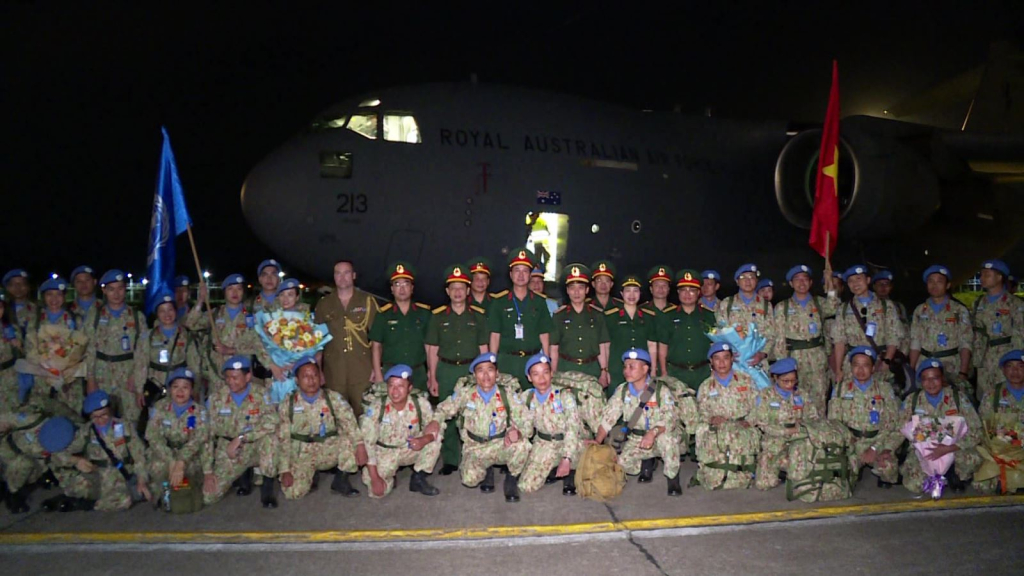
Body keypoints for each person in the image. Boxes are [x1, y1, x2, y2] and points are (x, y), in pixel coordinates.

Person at [426, 353, 531, 502]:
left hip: (501, 443)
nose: (486, 375)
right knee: (469, 480)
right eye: (480, 371)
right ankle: (487, 469)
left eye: (490, 370)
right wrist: (435, 421)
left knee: (522, 445)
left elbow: (527, 420)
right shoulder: (465, 394)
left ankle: (511, 477)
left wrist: (517, 432)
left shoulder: (507, 394)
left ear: (497, 373)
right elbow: (444, 409)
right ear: (474, 375)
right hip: (475, 446)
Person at [425, 264, 489, 475]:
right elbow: (432, 349)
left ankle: (475, 456)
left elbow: (483, 348)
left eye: (462, 287)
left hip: (471, 371)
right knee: (447, 415)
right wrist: (432, 376)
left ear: (468, 290)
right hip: (446, 369)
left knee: (474, 413)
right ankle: (451, 459)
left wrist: (486, 374)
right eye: (453, 288)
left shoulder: (478, 316)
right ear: (447, 291)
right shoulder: (437, 316)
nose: (458, 292)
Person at [593, 349, 683, 496]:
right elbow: (608, 418)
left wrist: (653, 433)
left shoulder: (660, 390)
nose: (626, 371)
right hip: (637, 438)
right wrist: (597, 441)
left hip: (660, 435)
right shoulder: (622, 390)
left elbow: (670, 418)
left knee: (667, 441)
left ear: (645, 369)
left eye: (632, 367)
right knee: (623, 465)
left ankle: (673, 478)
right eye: (625, 367)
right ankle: (647, 461)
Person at [278, 356, 362, 500]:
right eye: (306, 376)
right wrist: (284, 469)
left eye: (315, 375)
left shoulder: (333, 398)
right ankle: (311, 474)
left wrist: (360, 445)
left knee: (352, 439)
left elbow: (350, 423)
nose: (311, 380)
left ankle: (341, 479)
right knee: (293, 493)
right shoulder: (288, 404)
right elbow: (283, 438)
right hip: (302, 453)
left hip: (329, 448)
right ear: (297, 380)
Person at [203, 356, 278, 508]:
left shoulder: (261, 394)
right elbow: (206, 435)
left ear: (248, 376)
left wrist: (242, 437)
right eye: (228, 377)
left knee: (271, 440)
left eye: (235, 378)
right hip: (229, 450)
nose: (231, 382)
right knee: (209, 497)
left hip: (255, 446)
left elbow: (272, 421)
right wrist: (207, 472)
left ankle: (267, 490)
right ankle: (244, 475)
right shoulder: (216, 399)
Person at [899, 359, 982, 494]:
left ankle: (954, 473)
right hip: (923, 452)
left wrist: (950, 448)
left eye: (935, 378)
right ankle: (934, 474)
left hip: (954, 449)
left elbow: (976, 430)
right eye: (926, 379)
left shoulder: (957, 398)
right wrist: (887, 449)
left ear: (942, 378)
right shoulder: (912, 400)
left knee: (971, 459)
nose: (931, 383)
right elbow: (900, 427)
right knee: (915, 485)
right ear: (920, 381)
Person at [359, 364, 441, 498]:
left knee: (436, 436)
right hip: (385, 453)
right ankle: (389, 478)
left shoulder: (419, 403)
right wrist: (374, 477)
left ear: (409, 388)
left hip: (410, 449)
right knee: (378, 493)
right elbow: (368, 442)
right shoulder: (377, 407)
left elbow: (436, 425)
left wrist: (424, 440)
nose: (395, 391)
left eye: (400, 386)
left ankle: (418, 478)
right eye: (391, 386)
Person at [827, 346, 901, 488]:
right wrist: (850, 446)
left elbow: (891, 422)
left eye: (865, 365)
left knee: (888, 468)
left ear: (873, 368)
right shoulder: (841, 388)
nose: (860, 370)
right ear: (851, 367)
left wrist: (874, 448)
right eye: (856, 365)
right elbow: (834, 422)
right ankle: (856, 468)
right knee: (840, 474)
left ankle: (876, 470)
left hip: (877, 441)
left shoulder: (884, 389)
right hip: (851, 442)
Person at [186, 273, 274, 393]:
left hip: (242, 378)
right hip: (217, 378)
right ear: (224, 292)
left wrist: (232, 350)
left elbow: (258, 346)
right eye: (230, 289)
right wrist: (201, 300)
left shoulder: (251, 317)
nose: (235, 292)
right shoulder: (215, 314)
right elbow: (191, 323)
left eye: (239, 289)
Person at [314, 260, 379, 415]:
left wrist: (376, 369)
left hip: (362, 370)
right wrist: (318, 370)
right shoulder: (324, 304)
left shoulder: (367, 301)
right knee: (337, 416)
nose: (342, 277)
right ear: (334, 277)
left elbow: (378, 339)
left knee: (365, 414)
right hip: (333, 372)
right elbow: (317, 342)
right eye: (338, 273)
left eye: (346, 273)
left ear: (354, 275)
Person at [773, 265, 839, 415]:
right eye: (797, 279)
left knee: (819, 398)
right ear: (791, 284)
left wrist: (830, 283)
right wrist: (783, 366)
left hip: (817, 358)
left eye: (805, 279)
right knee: (794, 398)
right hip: (794, 359)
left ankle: (818, 427)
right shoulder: (783, 307)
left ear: (810, 283)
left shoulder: (819, 303)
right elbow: (779, 338)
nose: (801, 282)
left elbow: (834, 306)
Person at [692, 342, 760, 490]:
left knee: (741, 471)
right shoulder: (706, 386)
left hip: (741, 427)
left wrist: (750, 421)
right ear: (711, 361)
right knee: (714, 471)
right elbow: (701, 411)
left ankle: (743, 473)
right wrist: (711, 419)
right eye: (717, 358)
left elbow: (758, 405)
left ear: (732, 359)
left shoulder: (746, 380)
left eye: (726, 358)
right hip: (718, 429)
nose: (722, 363)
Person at [84, 270, 148, 425]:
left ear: (125, 289)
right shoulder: (95, 316)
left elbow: (143, 352)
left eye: (120, 288)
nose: (116, 294)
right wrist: (90, 379)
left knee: (131, 420)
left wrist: (137, 378)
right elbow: (90, 349)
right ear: (104, 291)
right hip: (102, 374)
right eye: (111, 289)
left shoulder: (137, 317)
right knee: (102, 418)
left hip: (128, 374)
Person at [70, 390, 151, 511]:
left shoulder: (125, 426)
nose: (100, 420)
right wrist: (75, 460)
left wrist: (141, 479)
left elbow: (139, 454)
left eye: (104, 414)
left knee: (146, 492)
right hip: (98, 477)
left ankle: (92, 503)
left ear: (110, 410)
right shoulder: (86, 432)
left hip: (123, 475)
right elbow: (62, 452)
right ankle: (89, 502)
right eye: (95, 416)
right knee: (74, 486)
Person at [515, 353, 582, 495]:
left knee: (594, 467)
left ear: (551, 373)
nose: (542, 378)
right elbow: (521, 425)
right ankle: (554, 467)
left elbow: (573, 428)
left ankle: (571, 469)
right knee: (526, 486)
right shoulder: (526, 397)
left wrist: (567, 457)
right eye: (536, 374)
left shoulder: (564, 396)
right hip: (544, 444)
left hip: (569, 443)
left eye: (545, 372)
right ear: (529, 377)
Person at [750, 358, 820, 490]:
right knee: (763, 484)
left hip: (798, 441)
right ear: (776, 378)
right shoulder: (766, 395)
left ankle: (790, 470)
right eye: (785, 381)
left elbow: (813, 418)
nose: (790, 384)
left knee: (801, 481)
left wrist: (802, 427)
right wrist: (785, 431)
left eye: (793, 380)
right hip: (774, 442)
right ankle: (780, 469)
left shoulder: (801, 395)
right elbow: (762, 423)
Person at [488, 248, 553, 388]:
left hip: (533, 361)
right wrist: (493, 363)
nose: (521, 275)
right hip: (507, 361)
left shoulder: (539, 302)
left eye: (525, 271)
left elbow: (544, 334)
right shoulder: (499, 302)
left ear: (530, 275)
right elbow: (495, 335)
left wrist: (546, 360)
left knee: (532, 399)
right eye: (517, 270)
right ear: (511, 274)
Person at [144, 368, 211, 502]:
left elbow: (200, 439)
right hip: (165, 452)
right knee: (157, 467)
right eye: (175, 387)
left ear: (192, 390)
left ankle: (182, 495)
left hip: (189, 456)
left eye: (185, 387)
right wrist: (171, 460)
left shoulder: (199, 411)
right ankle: (163, 494)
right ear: (170, 389)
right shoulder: (160, 407)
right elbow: (152, 435)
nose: (180, 392)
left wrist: (181, 461)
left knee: (189, 474)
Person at [830, 265, 904, 386]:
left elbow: (893, 337)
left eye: (859, 279)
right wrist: (838, 369)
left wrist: (886, 361)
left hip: (879, 363)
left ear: (868, 280)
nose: (855, 284)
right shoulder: (844, 308)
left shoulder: (886, 306)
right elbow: (839, 341)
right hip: (853, 365)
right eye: (851, 281)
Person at [136, 290, 200, 430]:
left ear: (176, 311)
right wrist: (139, 389)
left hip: (180, 386)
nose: (167, 314)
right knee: (156, 422)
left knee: (180, 422)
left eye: (170, 309)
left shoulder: (185, 335)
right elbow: (141, 364)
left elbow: (194, 364)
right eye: (162, 311)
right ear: (157, 314)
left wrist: (195, 388)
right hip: (156, 386)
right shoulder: (148, 336)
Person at [26, 276, 87, 416]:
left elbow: (82, 348)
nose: (54, 299)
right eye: (49, 294)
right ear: (43, 297)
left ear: (64, 296)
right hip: (42, 381)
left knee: (70, 418)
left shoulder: (75, 319)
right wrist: (46, 365)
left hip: (69, 383)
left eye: (58, 294)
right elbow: (29, 348)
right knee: (42, 419)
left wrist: (69, 367)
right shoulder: (35, 320)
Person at [909, 265, 973, 395]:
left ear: (948, 285)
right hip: (925, 366)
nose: (934, 285)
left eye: (939, 281)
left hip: (951, 366)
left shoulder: (959, 310)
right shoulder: (920, 310)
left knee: (953, 401)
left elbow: (966, 343)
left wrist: (963, 372)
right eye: (931, 281)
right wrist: (911, 369)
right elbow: (915, 342)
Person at [0, 413, 81, 513]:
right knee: (22, 466)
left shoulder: (68, 441)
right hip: (9, 452)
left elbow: (59, 460)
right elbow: (9, 417)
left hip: (37, 461)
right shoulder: (33, 420)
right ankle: (13, 494)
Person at [369, 261, 432, 392]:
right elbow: (376, 347)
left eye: (406, 284)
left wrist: (431, 372)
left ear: (412, 288)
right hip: (391, 374)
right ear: (392, 289)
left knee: (420, 404)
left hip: (417, 374)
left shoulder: (424, 313)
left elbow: (429, 346)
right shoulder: (383, 315)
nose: (401, 289)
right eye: (397, 284)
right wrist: (379, 375)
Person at [550, 264, 611, 388]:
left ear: (587, 290)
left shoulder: (597, 315)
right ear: (567, 291)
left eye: (581, 288)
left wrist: (604, 371)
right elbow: (554, 348)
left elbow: (603, 345)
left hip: (592, 369)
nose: (576, 292)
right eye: (572, 288)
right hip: (566, 369)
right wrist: (553, 373)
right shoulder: (559, 316)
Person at [972, 260, 1024, 400]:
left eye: (987, 275)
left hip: (1005, 358)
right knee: (984, 398)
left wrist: (1016, 363)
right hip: (983, 359)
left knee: (1006, 397)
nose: (982, 278)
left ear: (999, 277)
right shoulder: (978, 303)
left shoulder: (1014, 303)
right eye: (981, 275)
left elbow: (1020, 334)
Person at [659, 269, 716, 392]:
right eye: (683, 290)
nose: (687, 294)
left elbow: (713, 344)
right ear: (678, 292)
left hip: (703, 372)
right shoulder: (668, 316)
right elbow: (663, 347)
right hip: (675, 373)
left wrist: (714, 370)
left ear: (698, 292)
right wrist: (664, 373)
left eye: (692, 290)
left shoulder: (708, 316)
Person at [715, 264, 775, 370]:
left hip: (758, 364)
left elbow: (771, 334)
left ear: (756, 281)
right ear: (737, 281)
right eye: (743, 277)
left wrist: (762, 354)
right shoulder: (727, 304)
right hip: (734, 362)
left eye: (751, 277)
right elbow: (720, 332)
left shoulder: (766, 305)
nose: (748, 281)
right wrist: (728, 352)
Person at [604, 273, 659, 387]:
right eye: (628, 291)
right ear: (621, 293)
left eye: (635, 291)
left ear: (640, 293)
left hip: (641, 369)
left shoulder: (648, 316)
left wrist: (653, 370)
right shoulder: (610, 316)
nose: (632, 295)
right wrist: (605, 370)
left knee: (644, 397)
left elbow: (652, 345)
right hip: (617, 369)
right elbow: (605, 345)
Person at [872, 270, 910, 356]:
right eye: (880, 284)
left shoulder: (899, 307)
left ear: (891, 287)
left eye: (886, 284)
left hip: (896, 354)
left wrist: (903, 354)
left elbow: (906, 332)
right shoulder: (868, 306)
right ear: (874, 286)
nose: (883, 287)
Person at [978, 349, 1024, 421]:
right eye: (1009, 366)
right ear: (1003, 370)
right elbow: (983, 423)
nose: (1015, 370)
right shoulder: (992, 395)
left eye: (1020, 366)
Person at [0, 295, 25, 409]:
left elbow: (21, 350)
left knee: (11, 409)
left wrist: (17, 344)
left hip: (8, 376)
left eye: (0, 307)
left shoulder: (10, 328)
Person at [2, 269, 37, 339]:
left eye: (22, 283)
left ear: (28, 287)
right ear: (7, 288)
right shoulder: (2, 309)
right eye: (13, 284)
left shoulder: (38, 309)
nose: (18, 287)